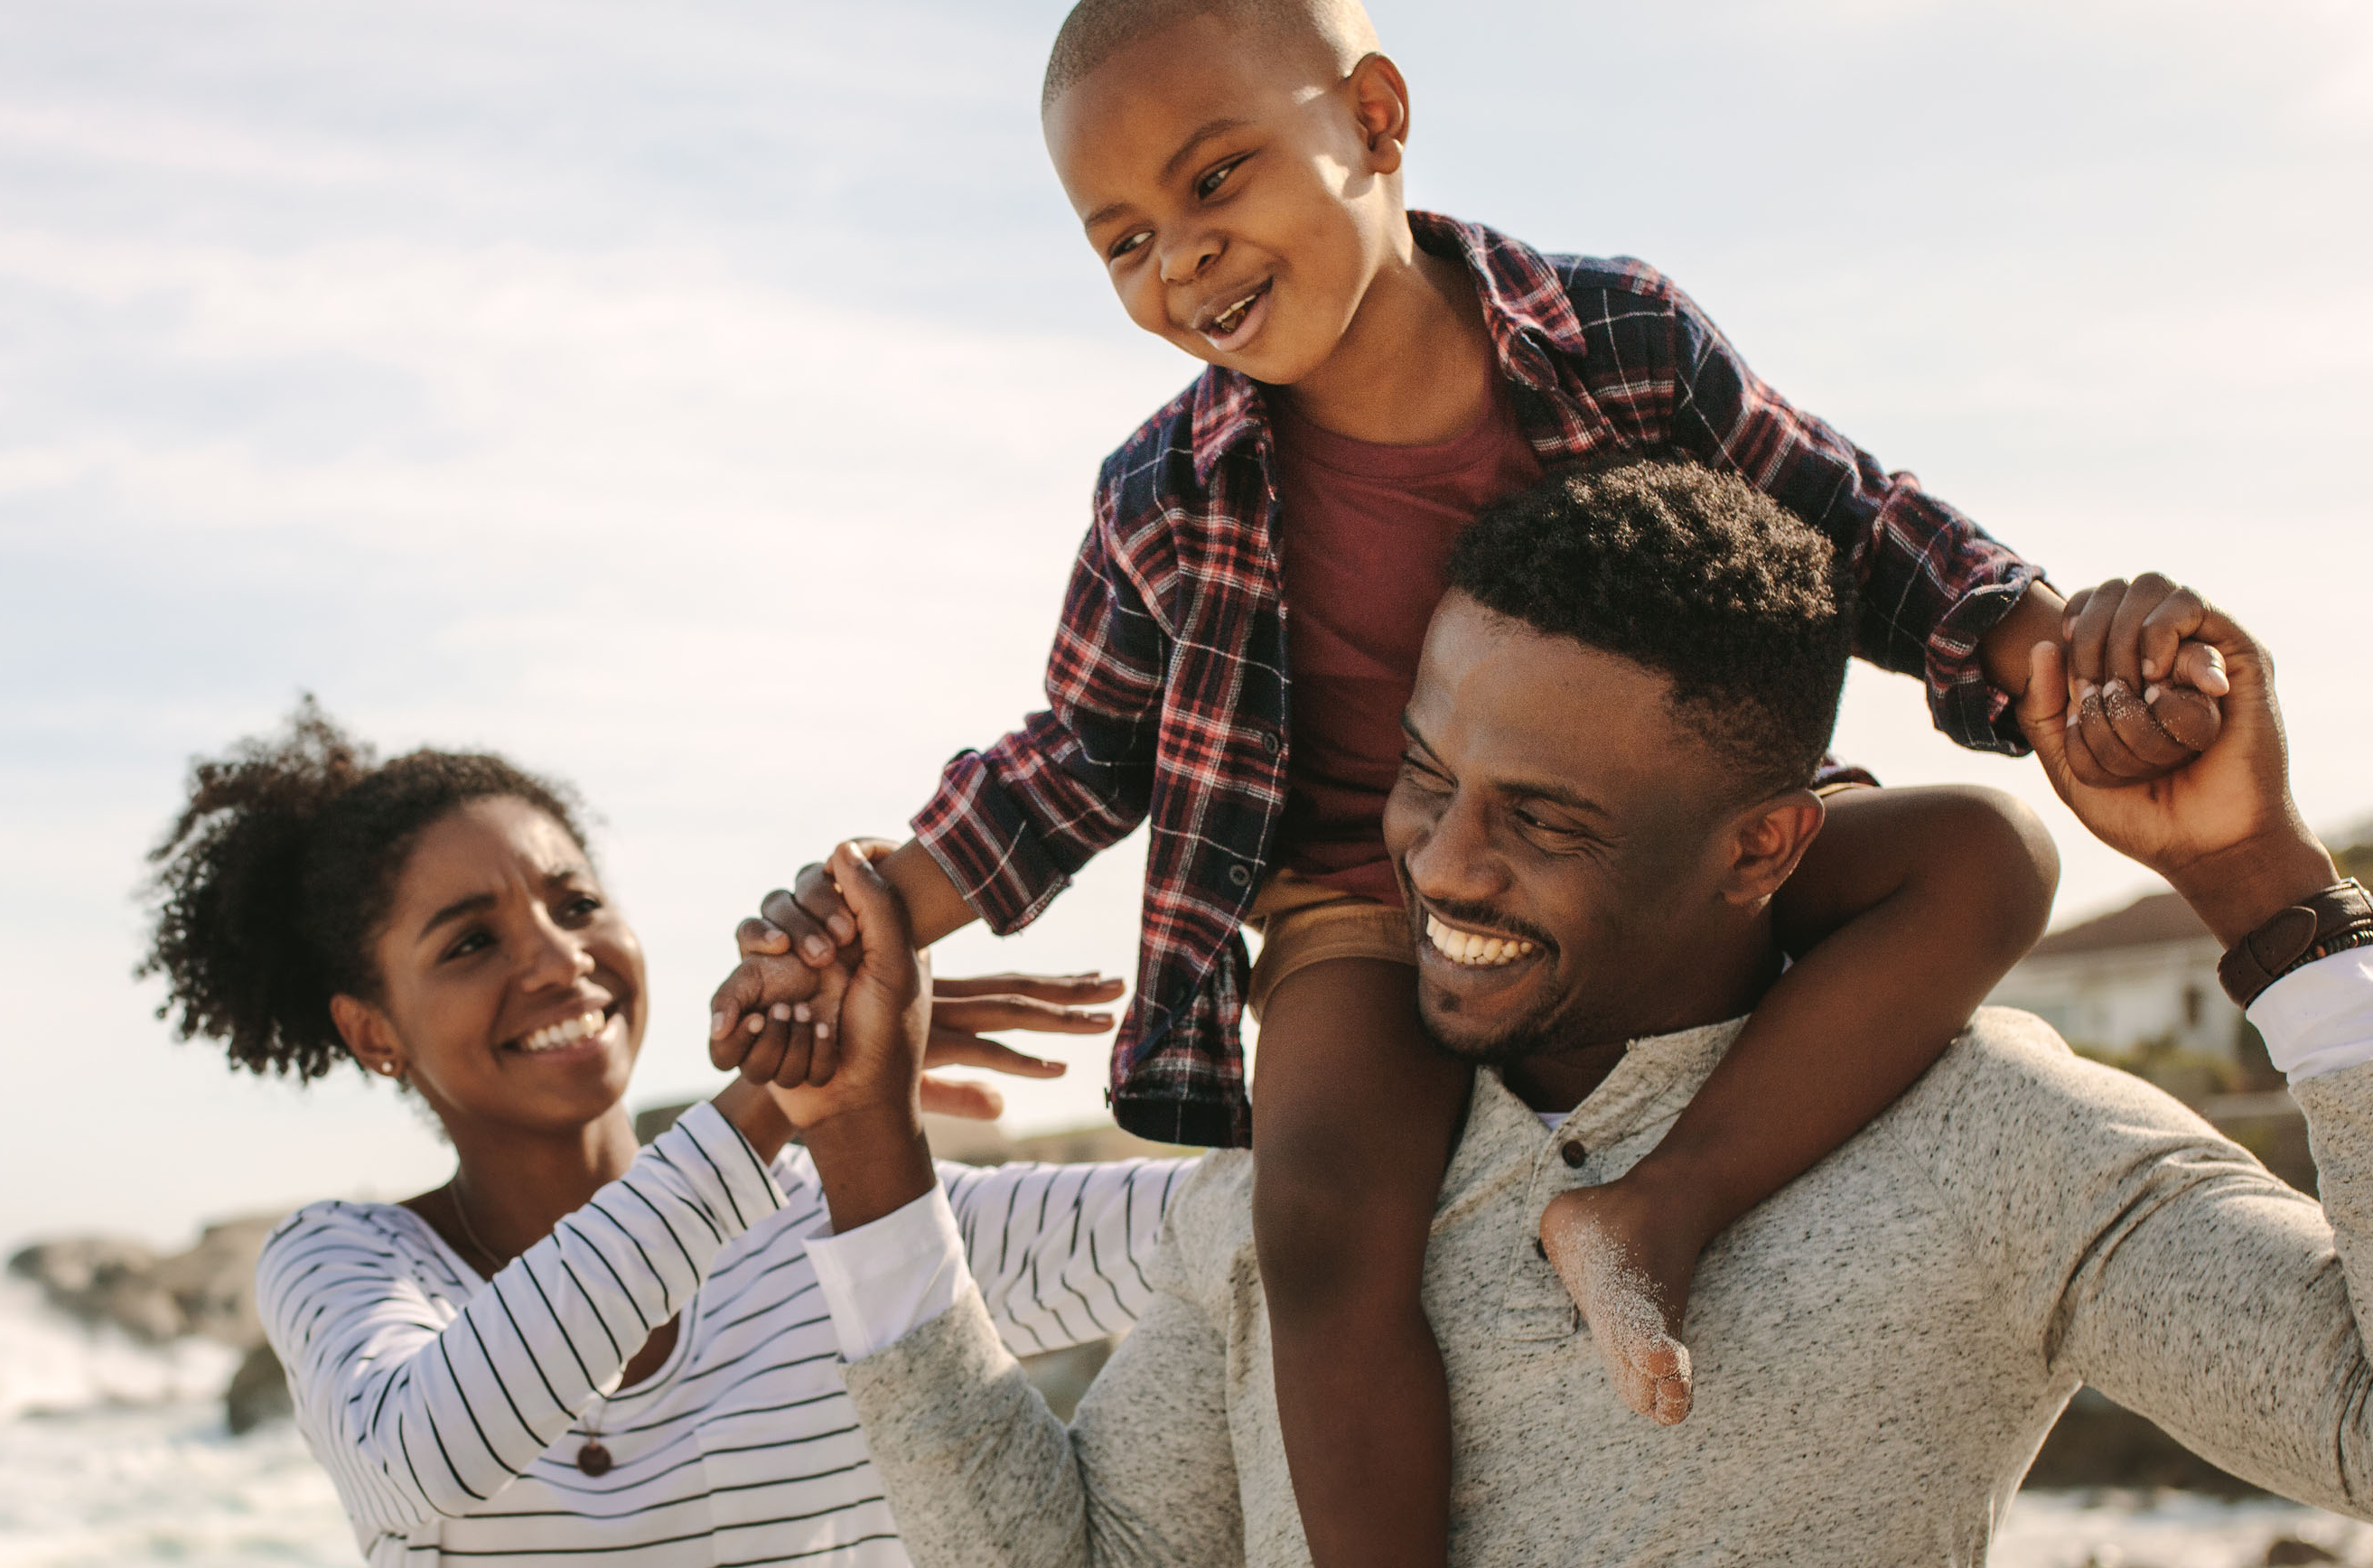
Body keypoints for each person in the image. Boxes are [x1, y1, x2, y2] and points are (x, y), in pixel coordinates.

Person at [705, 2, 2222, 1560]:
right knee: (1316, 1224)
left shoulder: (1617, 339)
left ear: (1374, 116)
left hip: (1650, 849)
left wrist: (2053, 649)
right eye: (1124, 242)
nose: (1185, 260)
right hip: (1364, 901)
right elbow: (1080, 753)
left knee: (1985, 856)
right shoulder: (1164, 495)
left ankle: (1660, 1208)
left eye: (1217, 179)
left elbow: (1849, 519)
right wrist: (868, 909)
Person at [787, 459, 2373, 1564]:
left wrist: (2263, 892)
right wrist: (868, 1157)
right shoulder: (1321, 1176)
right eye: (1423, 777)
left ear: (1764, 843)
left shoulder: (1996, 1141)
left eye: (1545, 821)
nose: (1443, 868)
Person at [134, 705, 1186, 1568]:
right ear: (372, 1030)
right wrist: (791, 1081)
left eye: (576, 901)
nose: (559, 958)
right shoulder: (346, 1258)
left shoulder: (860, 1220)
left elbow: (1237, 1231)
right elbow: (418, 1454)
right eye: (469, 940)